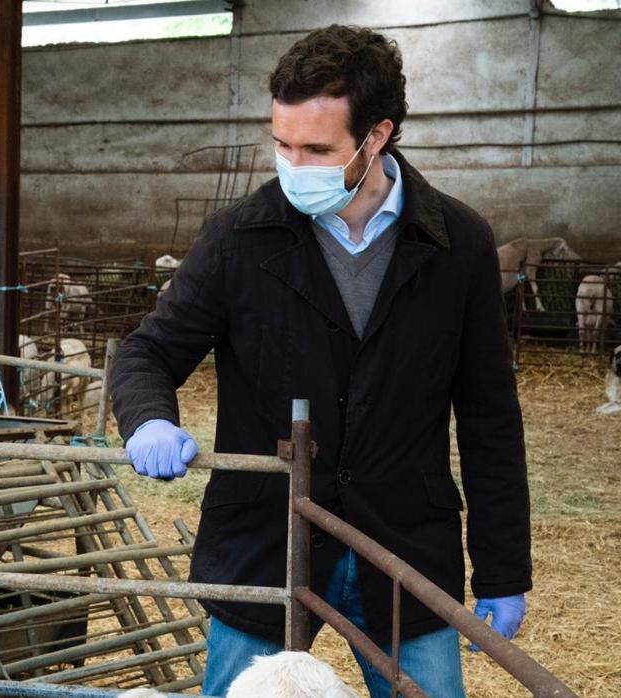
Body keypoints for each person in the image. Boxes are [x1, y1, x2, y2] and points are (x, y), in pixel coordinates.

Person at [108, 24, 531, 697]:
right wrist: (146, 420)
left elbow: (488, 417)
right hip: (263, 543)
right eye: (282, 144)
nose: (294, 165)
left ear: (378, 135)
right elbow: (147, 352)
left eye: (316, 148)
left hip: (402, 548)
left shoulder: (459, 245)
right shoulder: (239, 239)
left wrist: (505, 567)